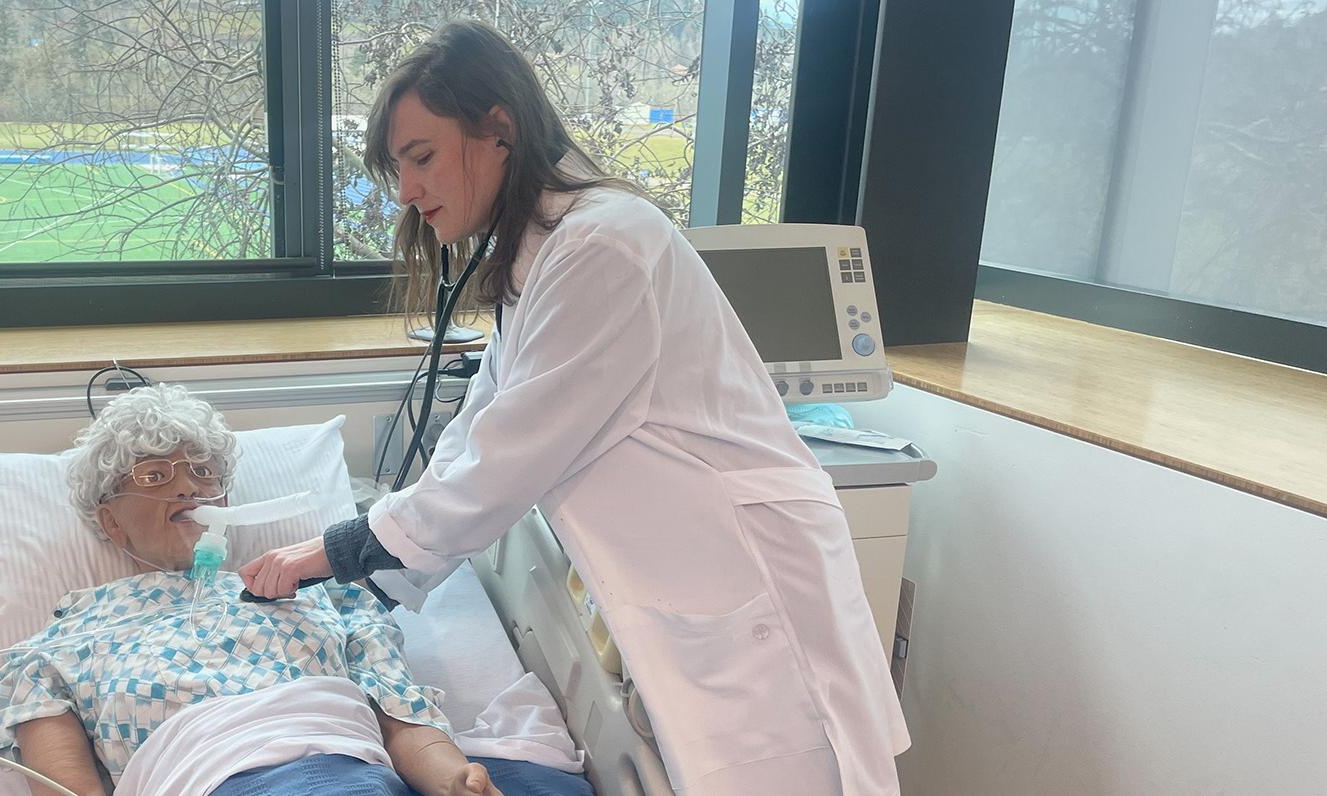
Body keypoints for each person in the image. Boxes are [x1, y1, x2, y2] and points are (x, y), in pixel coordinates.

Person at [240, 20, 909, 796]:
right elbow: (479, 428)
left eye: (421, 157)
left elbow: (505, 461)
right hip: (699, 575)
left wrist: (341, 550)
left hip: (750, 581)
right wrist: (371, 560)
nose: (406, 192)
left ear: (499, 130)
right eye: (397, 168)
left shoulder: (604, 247)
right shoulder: (540, 256)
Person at [0, 384, 592, 796]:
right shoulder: (71, 634)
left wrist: (454, 779)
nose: (187, 488)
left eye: (203, 472)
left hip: (355, 768)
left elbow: (400, 716)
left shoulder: (322, 592)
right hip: (207, 775)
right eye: (155, 474)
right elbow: (64, 784)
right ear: (110, 521)